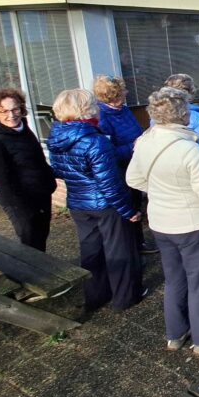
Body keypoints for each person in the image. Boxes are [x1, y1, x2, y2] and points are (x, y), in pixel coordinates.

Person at [125, 88, 199, 356]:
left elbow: (133, 179)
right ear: (182, 113)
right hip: (193, 225)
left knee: (174, 280)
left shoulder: (144, 141)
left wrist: (162, 192)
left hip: (161, 223)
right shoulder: (188, 149)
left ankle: (176, 333)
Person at [47, 89, 144, 312]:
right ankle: (126, 297)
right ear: (86, 109)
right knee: (119, 251)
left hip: (78, 203)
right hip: (105, 205)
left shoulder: (56, 138)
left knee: (91, 251)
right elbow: (110, 184)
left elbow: (60, 170)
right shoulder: (95, 140)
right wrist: (129, 211)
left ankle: (96, 295)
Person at [0, 88, 57, 252]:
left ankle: (41, 265)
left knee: (42, 237)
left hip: (40, 194)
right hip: (20, 202)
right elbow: (3, 181)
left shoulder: (23, 129)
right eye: (4, 111)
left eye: (15, 109)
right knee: (30, 242)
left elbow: (37, 160)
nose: (11, 115)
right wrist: (22, 208)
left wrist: (49, 181)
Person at [93, 75, 154, 254]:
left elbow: (136, 131)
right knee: (128, 208)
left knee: (136, 203)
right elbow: (109, 152)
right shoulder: (102, 118)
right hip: (121, 170)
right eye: (121, 93)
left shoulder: (124, 110)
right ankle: (131, 247)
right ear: (111, 97)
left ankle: (139, 243)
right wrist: (133, 146)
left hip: (135, 164)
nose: (125, 94)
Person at [161, 73, 199, 179]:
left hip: (171, 171)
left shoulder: (157, 117)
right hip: (198, 171)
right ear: (190, 93)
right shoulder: (194, 117)